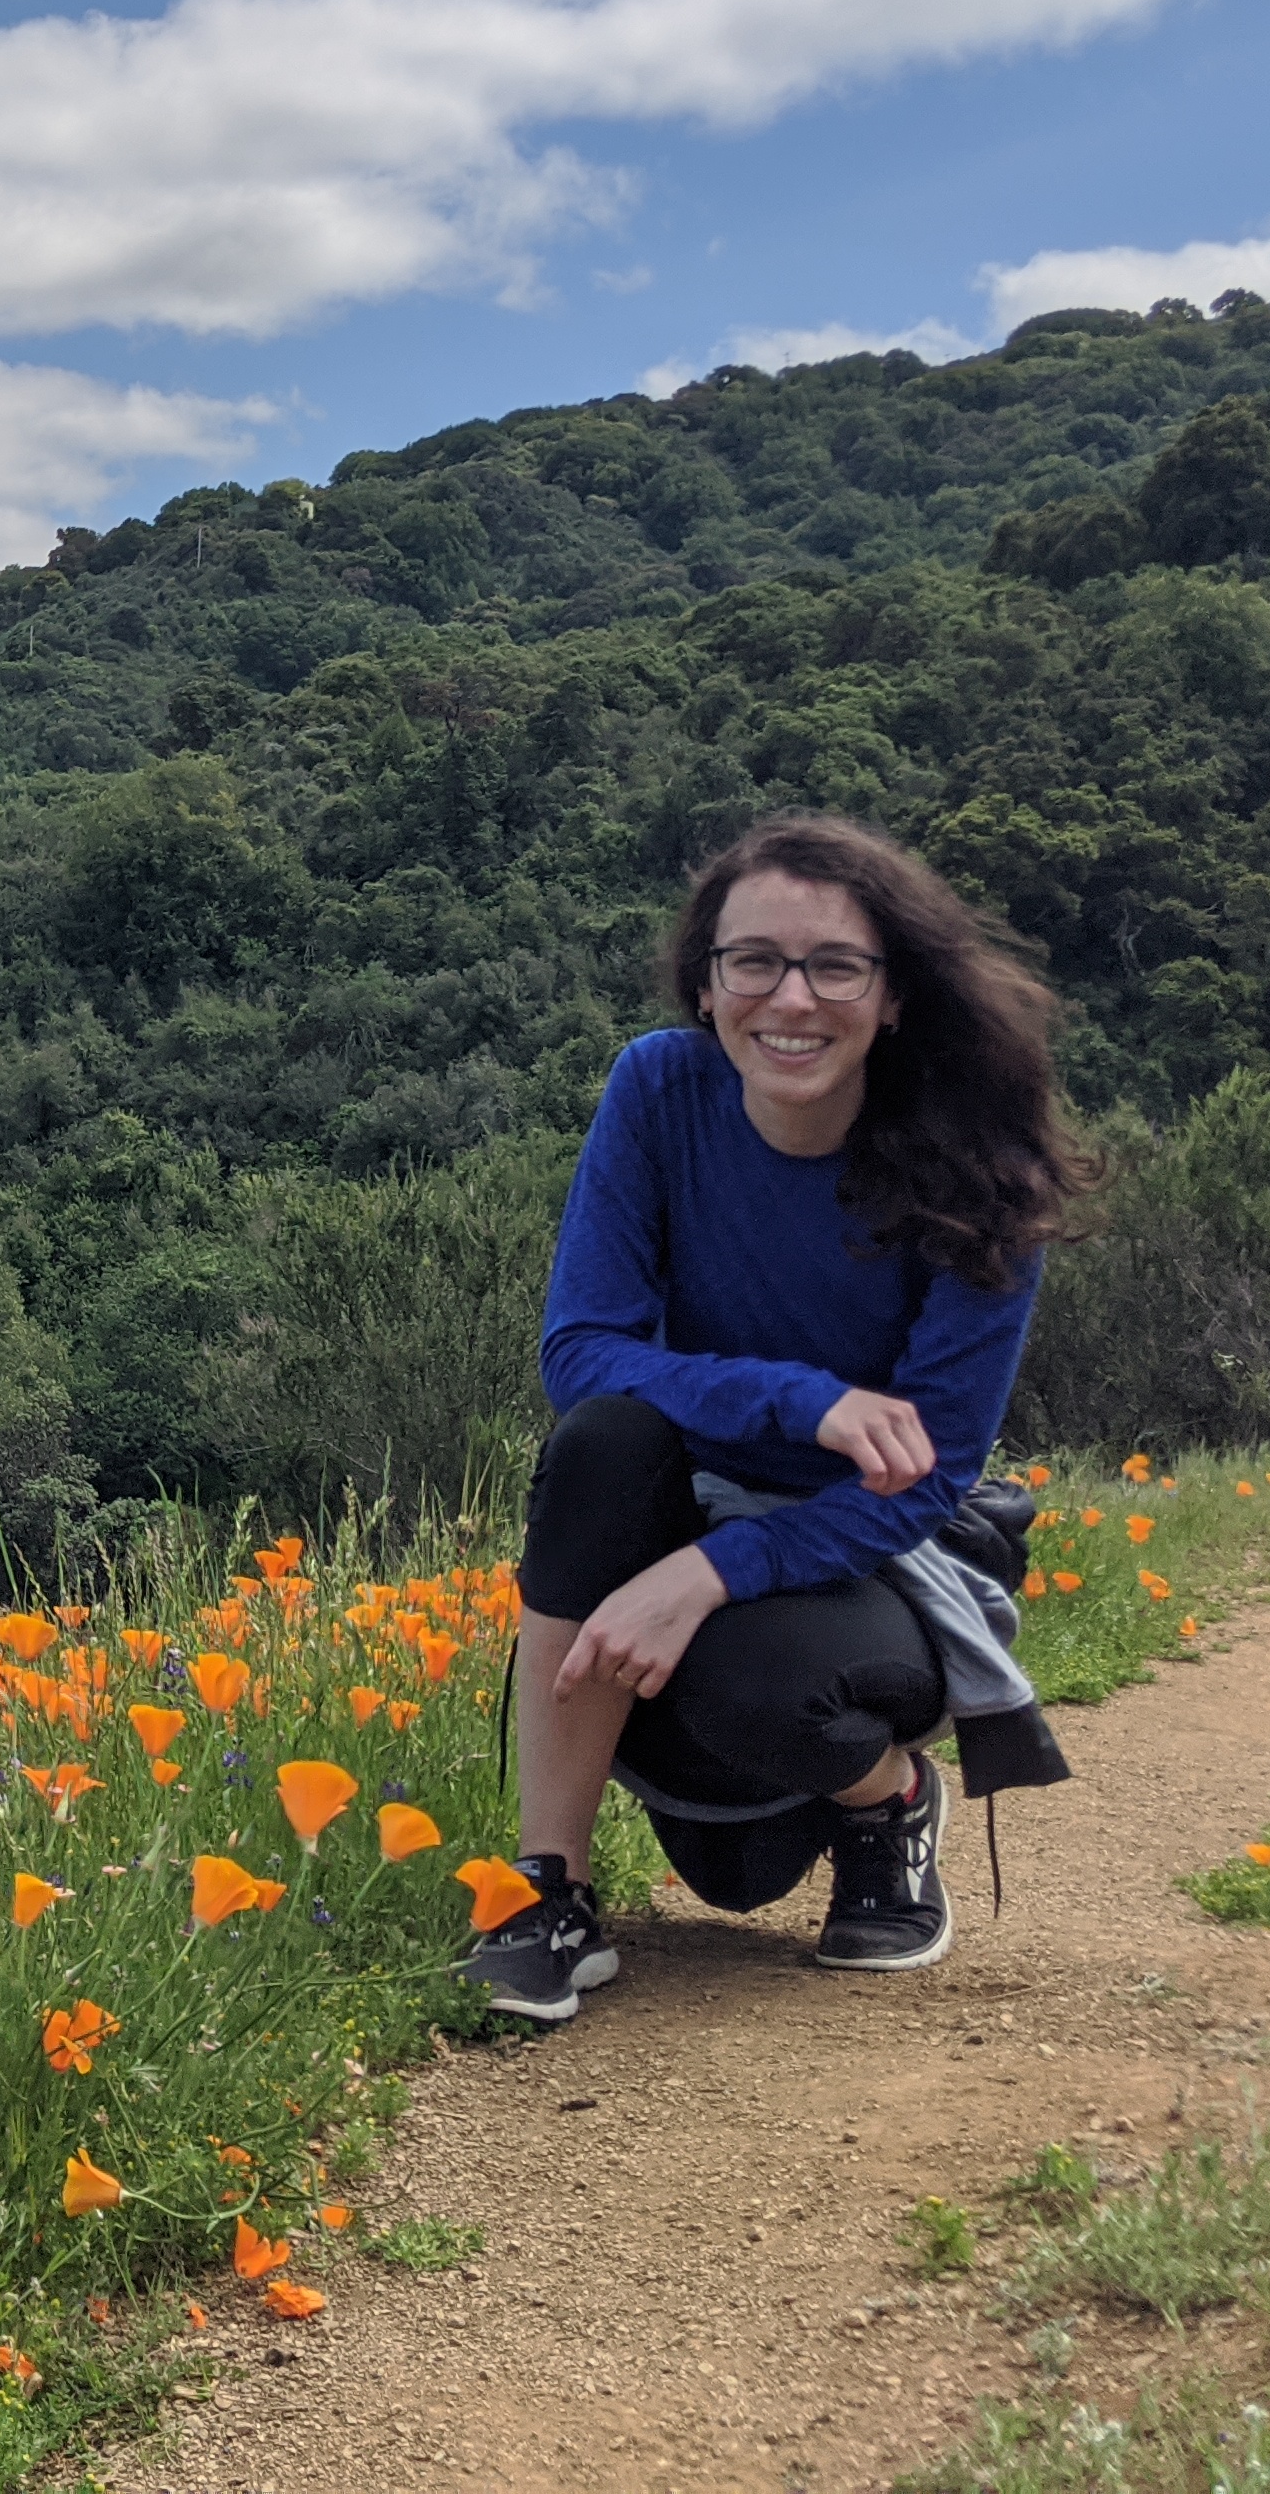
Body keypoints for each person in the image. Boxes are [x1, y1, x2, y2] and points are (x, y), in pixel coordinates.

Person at [467, 813, 1094, 2021]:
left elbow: (921, 1472)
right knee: (602, 1440)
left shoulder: (983, 1173)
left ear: (894, 994)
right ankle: (544, 1891)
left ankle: (890, 1802)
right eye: (752, 961)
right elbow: (582, 1351)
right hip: (680, 1498)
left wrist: (703, 1575)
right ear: (707, 987)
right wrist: (804, 1402)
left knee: (756, 1693)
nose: (790, 999)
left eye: (833, 966)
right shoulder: (658, 1090)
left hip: (868, 1548)